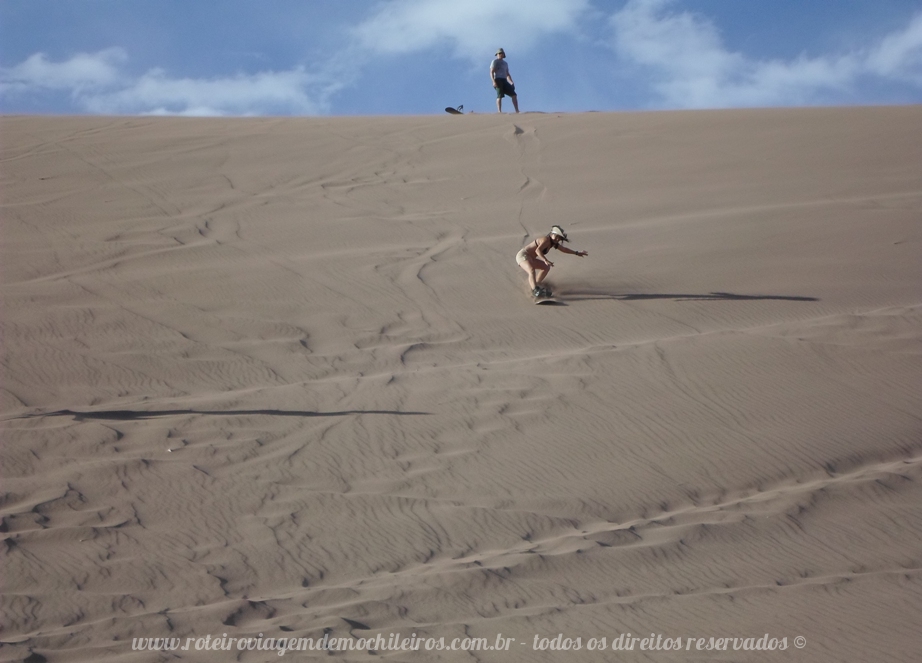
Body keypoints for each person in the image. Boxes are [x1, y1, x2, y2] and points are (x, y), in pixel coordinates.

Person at [515, 225, 588, 298]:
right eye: (556, 236)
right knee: (531, 270)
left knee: (546, 267)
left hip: (531, 258)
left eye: (559, 237)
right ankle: (535, 290)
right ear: (551, 234)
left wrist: (577, 253)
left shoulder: (553, 243)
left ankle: (537, 285)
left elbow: (564, 249)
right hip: (523, 255)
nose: (557, 239)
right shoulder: (545, 239)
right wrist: (545, 260)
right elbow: (537, 250)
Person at [490, 48, 519, 113]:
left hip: (504, 80)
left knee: (514, 94)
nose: (500, 54)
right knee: (499, 95)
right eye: (499, 53)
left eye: (502, 53)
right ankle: (499, 111)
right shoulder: (495, 61)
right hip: (498, 79)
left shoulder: (505, 63)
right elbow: (491, 72)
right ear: (497, 54)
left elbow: (507, 74)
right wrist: (493, 81)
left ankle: (517, 110)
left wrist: (511, 82)